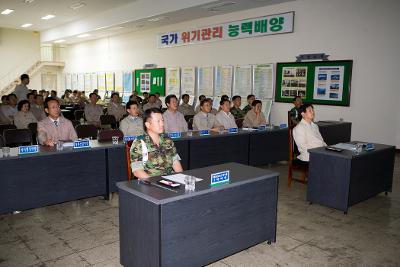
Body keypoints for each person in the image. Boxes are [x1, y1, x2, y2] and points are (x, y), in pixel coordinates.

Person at [129, 108, 183, 179]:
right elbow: (137, 171)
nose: (162, 124)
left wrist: (181, 178)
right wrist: (154, 183)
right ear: (148, 125)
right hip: (150, 181)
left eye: (162, 120)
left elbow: (175, 162)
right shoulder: (139, 143)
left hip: (169, 180)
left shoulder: (167, 140)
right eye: (158, 121)